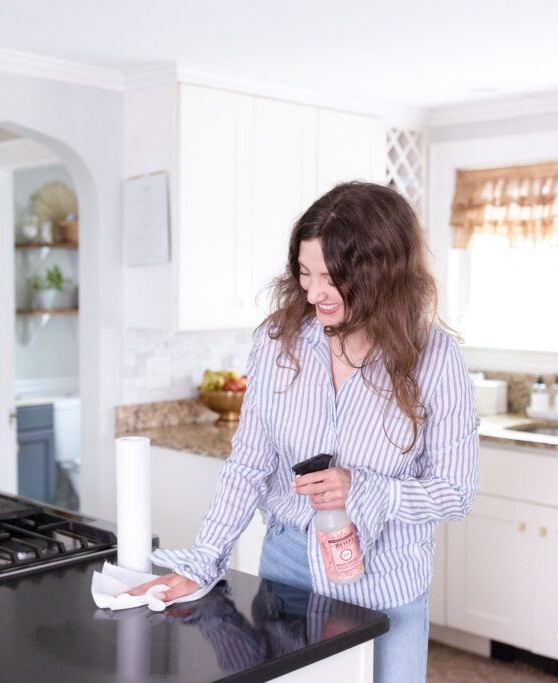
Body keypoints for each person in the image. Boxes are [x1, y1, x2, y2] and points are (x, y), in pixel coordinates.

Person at [129, 181, 479, 682]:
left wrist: (369, 490)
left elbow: (457, 493)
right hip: (289, 578)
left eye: (331, 278)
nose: (313, 292)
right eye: (304, 273)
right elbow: (248, 464)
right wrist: (205, 561)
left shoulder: (436, 359)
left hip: (387, 585)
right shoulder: (278, 342)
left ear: (383, 275)